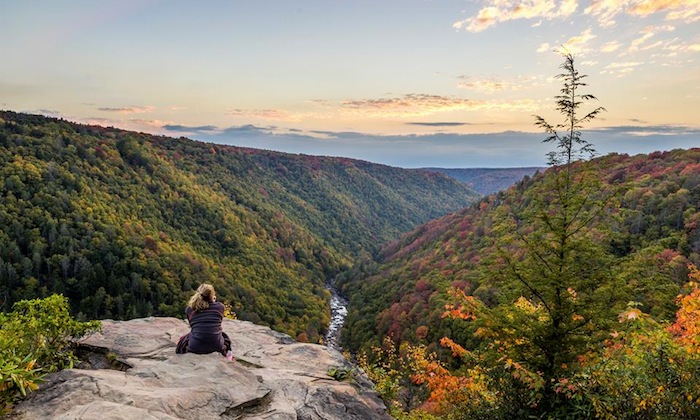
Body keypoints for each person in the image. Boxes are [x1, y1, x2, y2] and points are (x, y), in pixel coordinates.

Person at [176, 283, 232, 360]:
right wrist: (213, 302)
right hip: (217, 346)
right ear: (212, 296)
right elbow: (219, 320)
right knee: (225, 337)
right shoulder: (220, 307)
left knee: (184, 339)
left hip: (194, 347)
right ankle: (228, 355)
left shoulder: (190, 309)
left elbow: (192, 325)